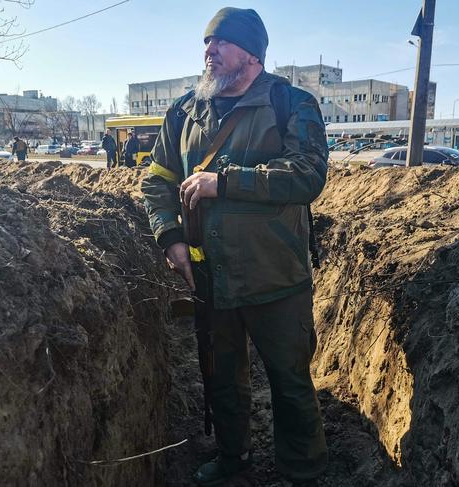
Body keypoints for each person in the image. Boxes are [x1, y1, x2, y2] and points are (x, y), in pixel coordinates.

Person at [142, 7, 328, 486]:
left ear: (250, 53)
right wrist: (171, 237)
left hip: (276, 276)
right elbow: (157, 180)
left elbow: (307, 176)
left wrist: (223, 183)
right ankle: (233, 459)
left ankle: (302, 470)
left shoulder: (292, 103)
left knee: (289, 383)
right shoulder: (185, 110)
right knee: (221, 377)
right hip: (209, 273)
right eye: (207, 43)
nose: (209, 52)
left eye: (220, 43)